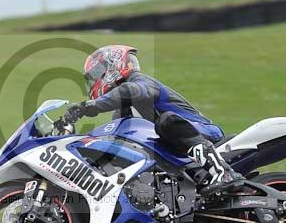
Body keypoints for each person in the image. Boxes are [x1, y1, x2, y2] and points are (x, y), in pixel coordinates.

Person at [63, 44, 244, 195]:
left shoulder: (139, 82)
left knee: (166, 121)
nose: (94, 82)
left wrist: (88, 107)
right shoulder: (122, 111)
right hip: (174, 147)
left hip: (201, 131)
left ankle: (223, 172)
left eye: (96, 75)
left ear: (113, 66)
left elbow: (132, 91)